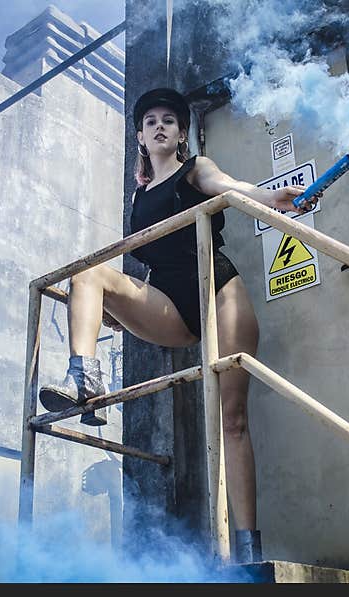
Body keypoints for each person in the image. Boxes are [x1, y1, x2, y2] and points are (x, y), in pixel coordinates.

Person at [39, 88, 319, 563]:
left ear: (182, 133)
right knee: (88, 272)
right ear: (140, 137)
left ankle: (247, 549)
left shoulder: (196, 169)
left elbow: (231, 188)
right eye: (151, 121)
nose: (161, 126)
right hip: (171, 304)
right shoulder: (138, 199)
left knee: (231, 420)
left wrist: (272, 198)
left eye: (170, 120)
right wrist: (112, 310)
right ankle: (84, 377)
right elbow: (144, 268)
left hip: (220, 294)